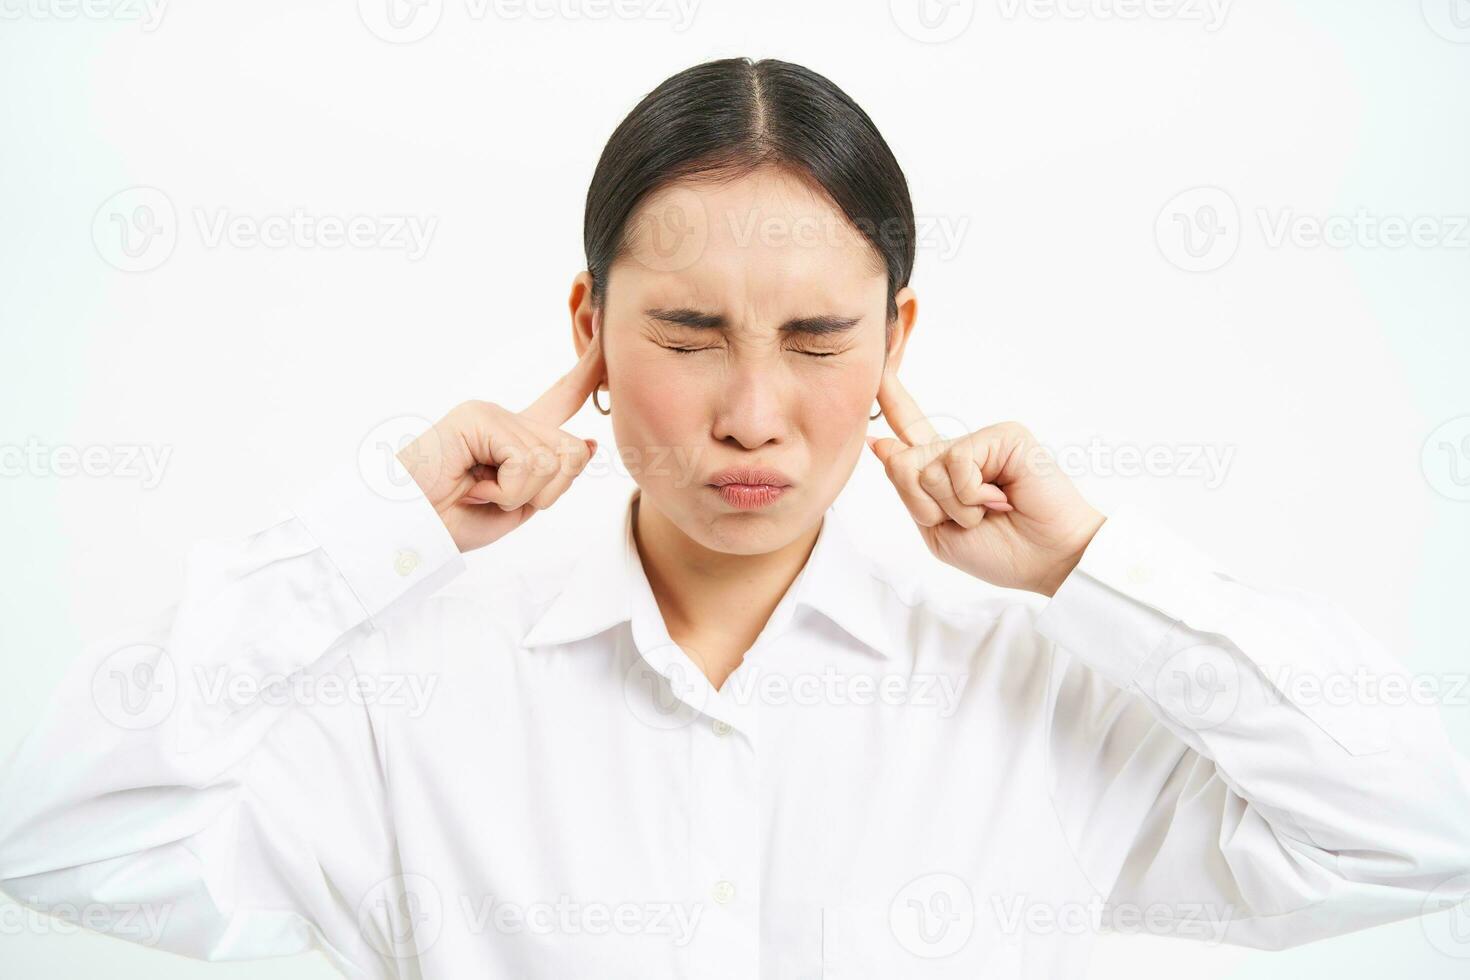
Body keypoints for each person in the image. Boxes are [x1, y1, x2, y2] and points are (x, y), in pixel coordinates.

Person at [2, 57, 1468, 980]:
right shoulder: (419, 688)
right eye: (688, 332)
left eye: (820, 340)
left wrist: (1091, 568)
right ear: (587, 323)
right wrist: (376, 531)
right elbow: (55, 842)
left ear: (898, 341)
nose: (752, 413)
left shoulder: (1032, 682)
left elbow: (1419, 832)